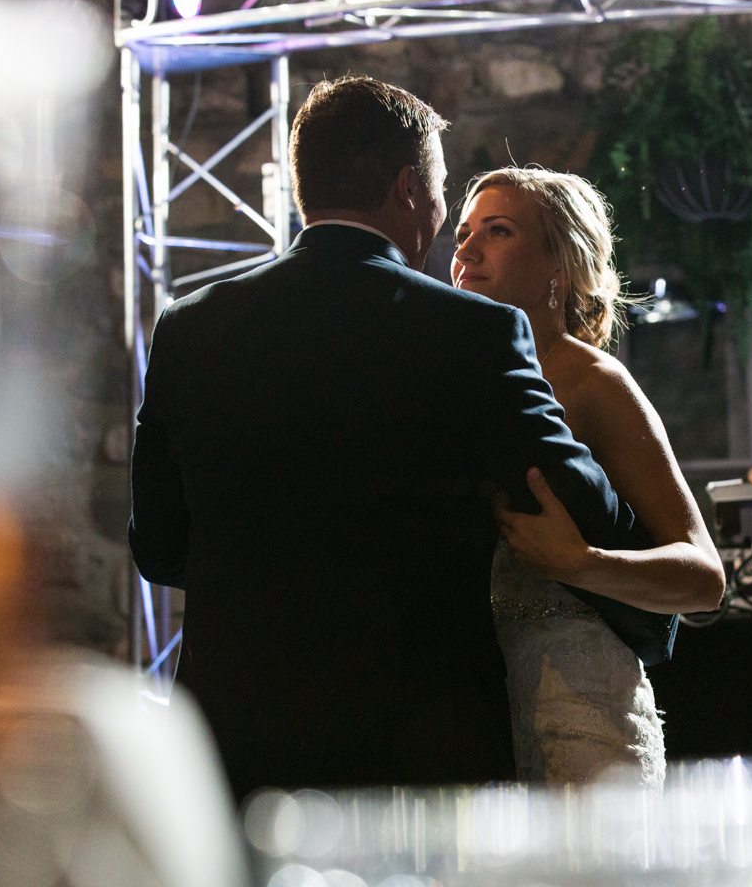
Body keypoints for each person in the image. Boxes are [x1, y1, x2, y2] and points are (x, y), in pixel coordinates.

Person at [128, 77, 707, 799]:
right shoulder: (471, 336)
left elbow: (157, 548)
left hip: (240, 738)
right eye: (445, 203)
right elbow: (575, 498)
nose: (450, 231)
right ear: (409, 189)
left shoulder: (189, 328)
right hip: (413, 736)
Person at [452, 167, 724, 788]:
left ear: (560, 264)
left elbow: (705, 578)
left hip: (581, 720)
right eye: (464, 233)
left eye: (497, 232)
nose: (466, 249)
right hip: (472, 722)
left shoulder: (595, 385)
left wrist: (581, 562)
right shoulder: (447, 383)